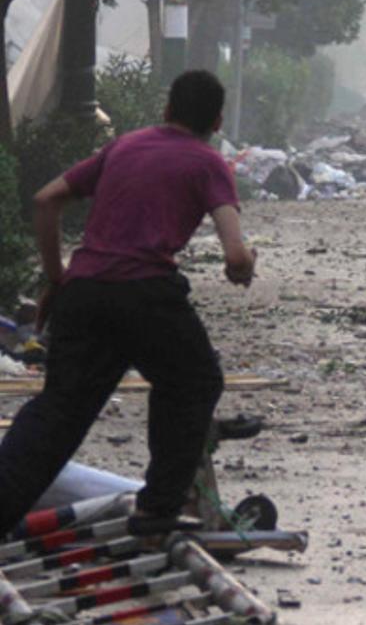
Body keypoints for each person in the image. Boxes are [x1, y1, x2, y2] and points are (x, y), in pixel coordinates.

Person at [0, 71, 256, 536]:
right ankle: (157, 508)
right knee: (193, 381)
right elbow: (235, 253)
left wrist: (58, 277)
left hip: (84, 295)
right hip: (146, 295)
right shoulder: (208, 162)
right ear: (217, 121)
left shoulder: (125, 146)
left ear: (166, 110)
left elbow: (45, 199)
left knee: (59, 412)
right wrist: (243, 266)